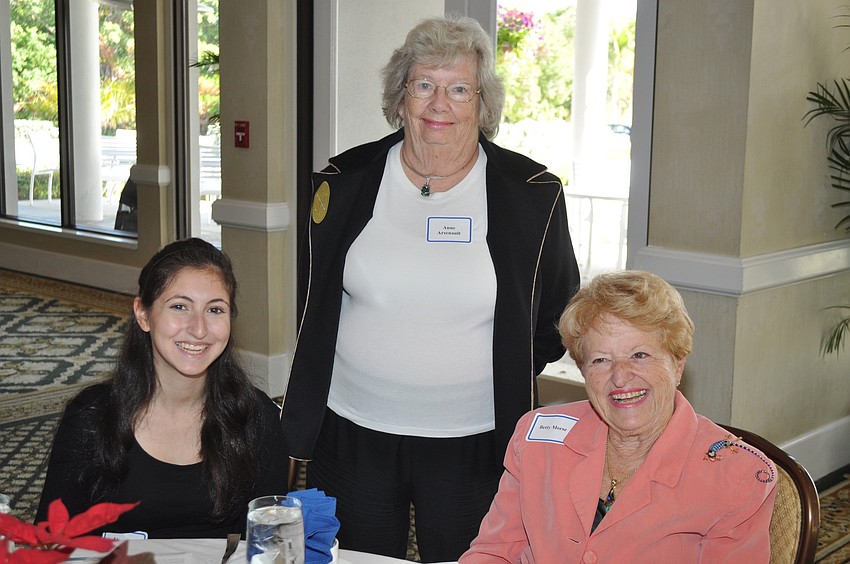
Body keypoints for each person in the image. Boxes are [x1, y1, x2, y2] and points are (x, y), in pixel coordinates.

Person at [281, 15, 580, 563]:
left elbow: (557, 315)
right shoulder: (342, 182)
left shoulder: (532, 196)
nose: (439, 103)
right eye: (424, 85)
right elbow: (315, 298)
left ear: (482, 106)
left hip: (475, 441)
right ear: (400, 100)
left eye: (459, 89)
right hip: (352, 432)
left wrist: (495, 368)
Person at [460, 270, 778, 562]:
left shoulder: (739, 476)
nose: (620, 378)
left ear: (677, 364)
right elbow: (496, 551)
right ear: (584, 371)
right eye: (600, 360)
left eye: (639, 355)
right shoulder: (536, 438)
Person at [36, 238, 289, 538]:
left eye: (215, 310)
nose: (199, 329)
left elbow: (270, 541)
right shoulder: (92, 418)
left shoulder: (256, 419)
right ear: (143, 314)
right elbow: (51, 539)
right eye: (180, 306)